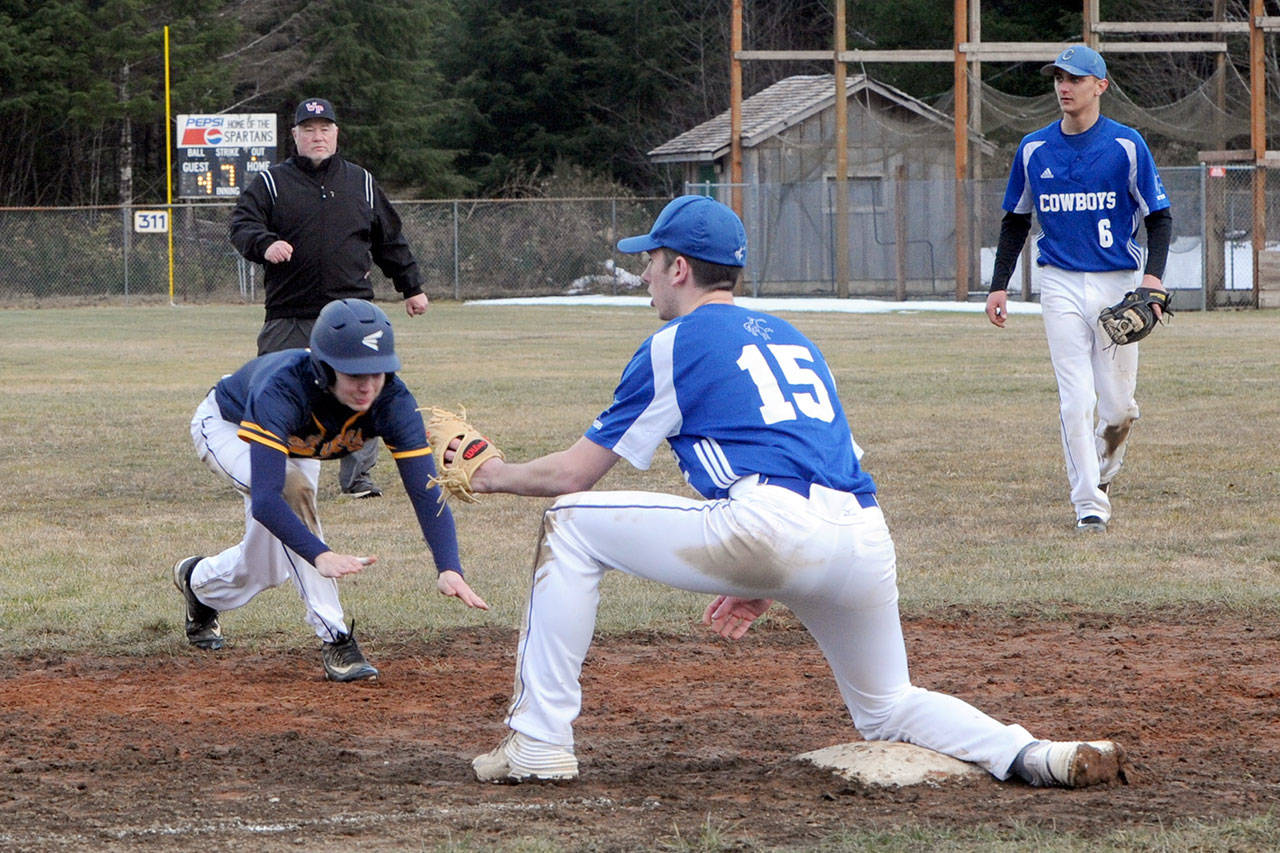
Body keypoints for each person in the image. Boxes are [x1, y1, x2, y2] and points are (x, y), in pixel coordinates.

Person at [458, 195, 1129, 787]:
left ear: (681, 270)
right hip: (863, 535)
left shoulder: (673, 340)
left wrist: (490, 475)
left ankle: (539, 740)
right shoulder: (794, 337)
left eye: (652, 260)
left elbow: (575, 474)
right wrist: (764, 576)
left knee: (570, 521)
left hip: (771, 525)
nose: (645, 274)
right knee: (888, 704)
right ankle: (1034, 753)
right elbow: (826, 460)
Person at [173, 298, 487, 682]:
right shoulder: (282, 388)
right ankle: (336, 637)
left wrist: (448, 566)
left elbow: (425, 491)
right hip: (228, 426)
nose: (368, 385)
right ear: (324, 369)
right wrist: (320, 554)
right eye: (354, 373)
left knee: (267, 568)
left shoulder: (393, 400)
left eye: (378, 371)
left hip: (295, 442)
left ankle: (198, 583)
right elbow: (268, 501)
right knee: (294, 492)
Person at [985, 45, 1172, 533]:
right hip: (1060, 282)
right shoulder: (1033, 149)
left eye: (1075, 79)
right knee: (1075, 398)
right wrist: (998, 286)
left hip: (1116, 282)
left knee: (1117, 409)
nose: (1064, 87)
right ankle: (1089, 503)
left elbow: (1160, 216)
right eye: (1058, 79)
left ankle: (1103, 472)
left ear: (1100, 86)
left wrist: (1152, 279)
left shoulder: (1127, 146)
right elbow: (1015, 220)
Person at [230, 97, 430, 499]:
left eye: (324, 129)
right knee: (274, 389)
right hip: (291, 312)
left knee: (365, 392)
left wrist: (411, 287)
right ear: (295, 136)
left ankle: (358, 479)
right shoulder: (271, 183)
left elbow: (389, 239)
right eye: (308, 129)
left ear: (336, 133)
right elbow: (241, 225)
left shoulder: (361, 182)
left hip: (353, 311)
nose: (317, 136)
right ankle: (273, 476)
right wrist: (264, 243)